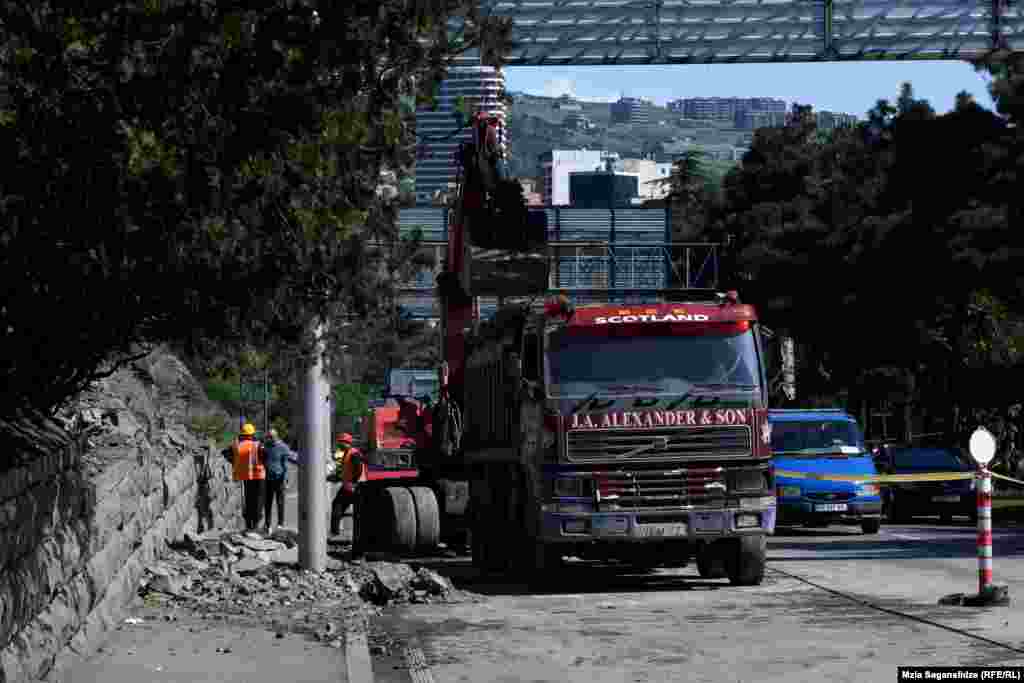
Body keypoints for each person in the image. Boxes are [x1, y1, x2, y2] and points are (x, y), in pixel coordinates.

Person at [225, 423, 266, 532]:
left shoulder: (236, 446)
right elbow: (265, 457)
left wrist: (235, 464)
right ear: (252, 434)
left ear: (242, 434)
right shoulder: (258, 445)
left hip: (244, 476)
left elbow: (226, 454)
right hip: (258, 476)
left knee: (248, 500)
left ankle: (248, 525)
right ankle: (256, 526)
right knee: (258, 500)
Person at [329, 433, 366, 536]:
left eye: (340, 443)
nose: (338, 445)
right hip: (349, 486)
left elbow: (358, 469)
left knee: (338, 506)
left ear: (346, 443)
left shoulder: (354, 454)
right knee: (338, 506)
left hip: (352, 487)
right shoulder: (347, 453)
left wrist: (354, 482)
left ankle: (335, 532)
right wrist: (337, 477)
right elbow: (346, 470)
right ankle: (335, 532)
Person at [260, 429, 296, 535]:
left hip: (279, 479)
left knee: (280, 502)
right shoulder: (266, 447)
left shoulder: (283, 447)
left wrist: (287, 478)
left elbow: (287, 463)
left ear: (276, 436)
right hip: (268, 479)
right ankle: (267, 525)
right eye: (268, 437)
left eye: (270, 437)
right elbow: (263, 459)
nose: (268, 439)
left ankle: (280, 525)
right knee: (267, 503)